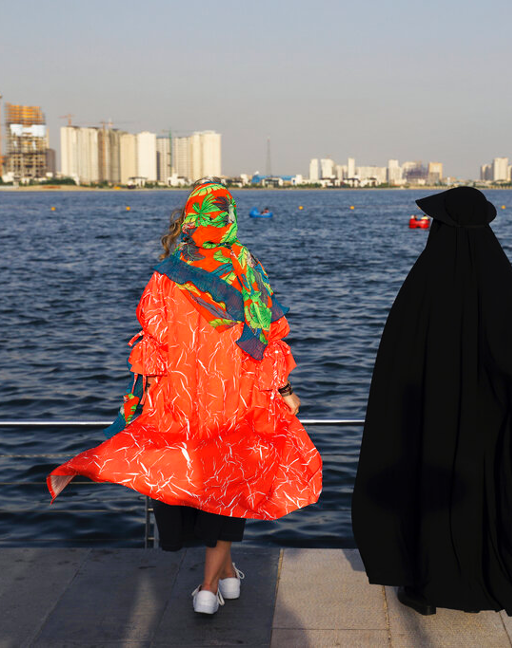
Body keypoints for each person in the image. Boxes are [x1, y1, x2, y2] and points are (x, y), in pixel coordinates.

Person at [48, 180, 322, 615]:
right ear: (228, 218)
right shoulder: (247, 269)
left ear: (191, 218)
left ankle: (221, 580)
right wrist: (285, 391)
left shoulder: (167, 274)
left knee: (196, 481)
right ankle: (213, 586)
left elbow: (150, 348)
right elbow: (269, 337)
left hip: (181, 402)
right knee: (230, 485)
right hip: (237, 402)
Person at [352, 186, 512, 616]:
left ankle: (426, 587)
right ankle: (475, 585)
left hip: (428, 417)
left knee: (428, 491)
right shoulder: (500, 279)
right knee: (478, 494)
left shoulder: (423, 281)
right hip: (487, 420)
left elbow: (395, 358)